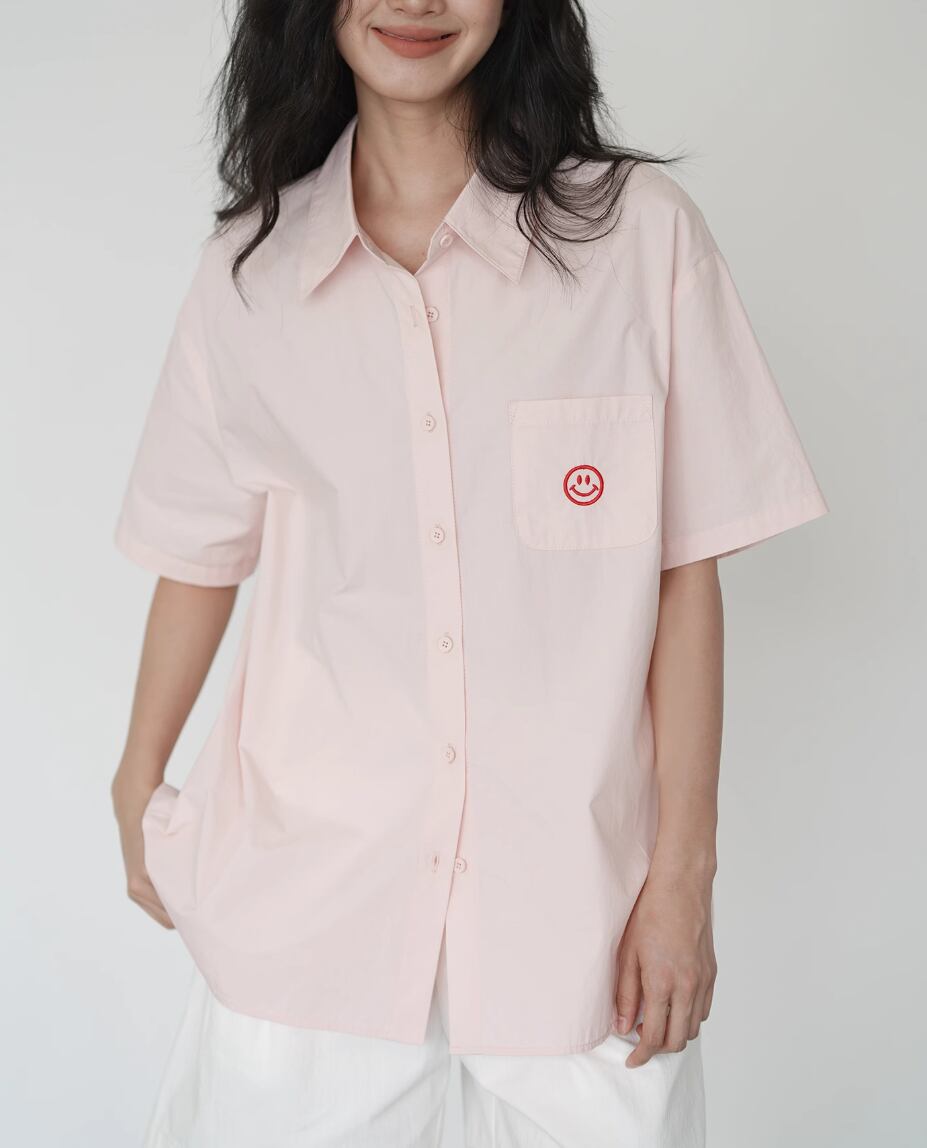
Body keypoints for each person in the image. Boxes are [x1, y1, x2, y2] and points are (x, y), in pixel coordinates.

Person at [110, 2, 829, 1145]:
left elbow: (683, 573)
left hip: (579, 922)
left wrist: (682, 877)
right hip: (307, 909)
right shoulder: (250, 271)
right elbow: (197, 550)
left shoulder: (639, 238)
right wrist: (136, 780)